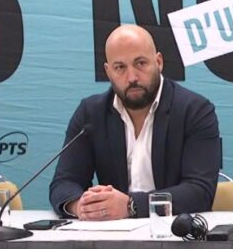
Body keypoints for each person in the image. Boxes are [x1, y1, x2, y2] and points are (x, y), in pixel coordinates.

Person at [49, 24, 221, 219]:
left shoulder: (195, 111)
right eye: (120, 67)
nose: (131, 77)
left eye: (140, 63)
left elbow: (199, 192)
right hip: (113, 239)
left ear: (159, 62)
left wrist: (131, 206)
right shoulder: (91, 114)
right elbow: (64, 183)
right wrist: (81, 206)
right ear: (108, 71)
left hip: (177, 236)